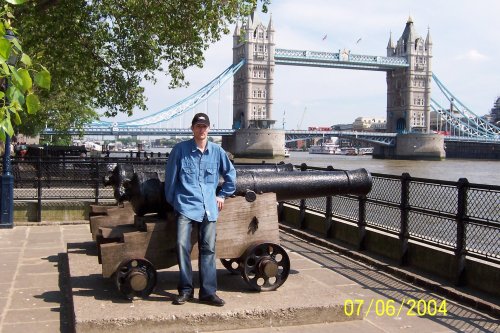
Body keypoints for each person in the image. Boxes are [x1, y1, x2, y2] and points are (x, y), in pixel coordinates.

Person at [164, 112, 236, 307]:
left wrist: (222, 195)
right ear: (192, 128)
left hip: (209, 208)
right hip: (185, 206)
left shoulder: (217, 152)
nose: (201, 130)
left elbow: (231, 176)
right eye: (198, 126)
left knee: (209, 250)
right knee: (181, 245)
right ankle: (186, 290)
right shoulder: (179, 150)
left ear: (209, 129)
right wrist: (176, 203)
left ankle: (208, 292)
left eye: (204, 127)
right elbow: (170, 182)